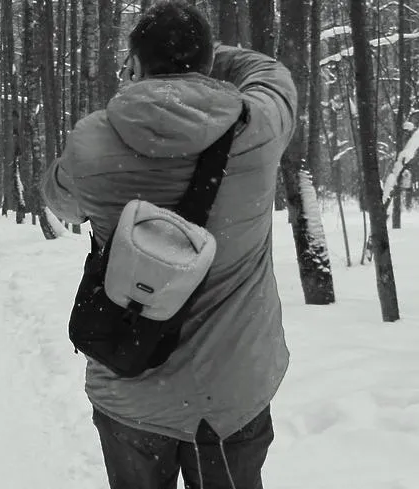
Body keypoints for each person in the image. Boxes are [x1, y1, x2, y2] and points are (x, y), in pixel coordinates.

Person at [40, 2, 296, 488]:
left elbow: (60, 201)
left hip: (130, 386)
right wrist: (203, 56)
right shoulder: (258, 125)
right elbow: (269, 70)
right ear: (205, 61)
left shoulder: (93, 141)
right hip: (230, 389)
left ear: (136, 64)